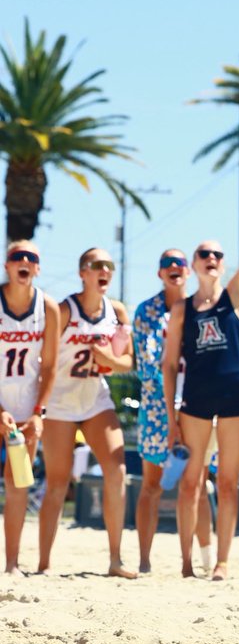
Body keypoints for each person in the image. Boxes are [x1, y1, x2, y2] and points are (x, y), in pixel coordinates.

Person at [163, 158, 239, 580]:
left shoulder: (235, 296)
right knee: (191, 482)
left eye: (217, 254)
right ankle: (187, 563)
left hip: (234, 397)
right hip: (195, 399)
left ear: (223, 265)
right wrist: (171, 414)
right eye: (204, 254)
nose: (211, 258)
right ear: (194, 264)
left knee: (227, 482)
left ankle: (223, 561)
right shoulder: (182, 309)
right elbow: (169, 364)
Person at [40, 247, 137, 578]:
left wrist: (109, 359)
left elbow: (128, 362)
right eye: (97, 265)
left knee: (117, 471)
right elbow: (45, 357)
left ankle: (115, 559)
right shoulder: (65, 310)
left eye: (109, 265)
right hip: (60, 402)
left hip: (96, 399)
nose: (105, 270)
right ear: (83, 272)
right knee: (57, 482)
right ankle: (43, 564)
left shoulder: (117, 310)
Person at [132, 248, 216, 574]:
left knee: (197, 485)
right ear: (160, 273)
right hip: (157, 407)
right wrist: (170, 410)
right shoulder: (147, 311)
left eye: (179, 262)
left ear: (189, 270)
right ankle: (144, 561)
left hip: (197, 403)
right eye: (167, 263)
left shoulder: (201, 307)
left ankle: (207, 559)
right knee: (151, 485)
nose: (173, 267)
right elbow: (149, 366)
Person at [0, 241, 59, 574]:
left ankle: (11, 564)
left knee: (18, 483)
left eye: (31, 257)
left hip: (24, 411)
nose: (23, 260)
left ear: (37, 268)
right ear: (7, 266)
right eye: (16, 256)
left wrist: (39, 412)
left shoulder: (47, 308)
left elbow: (49, 367)